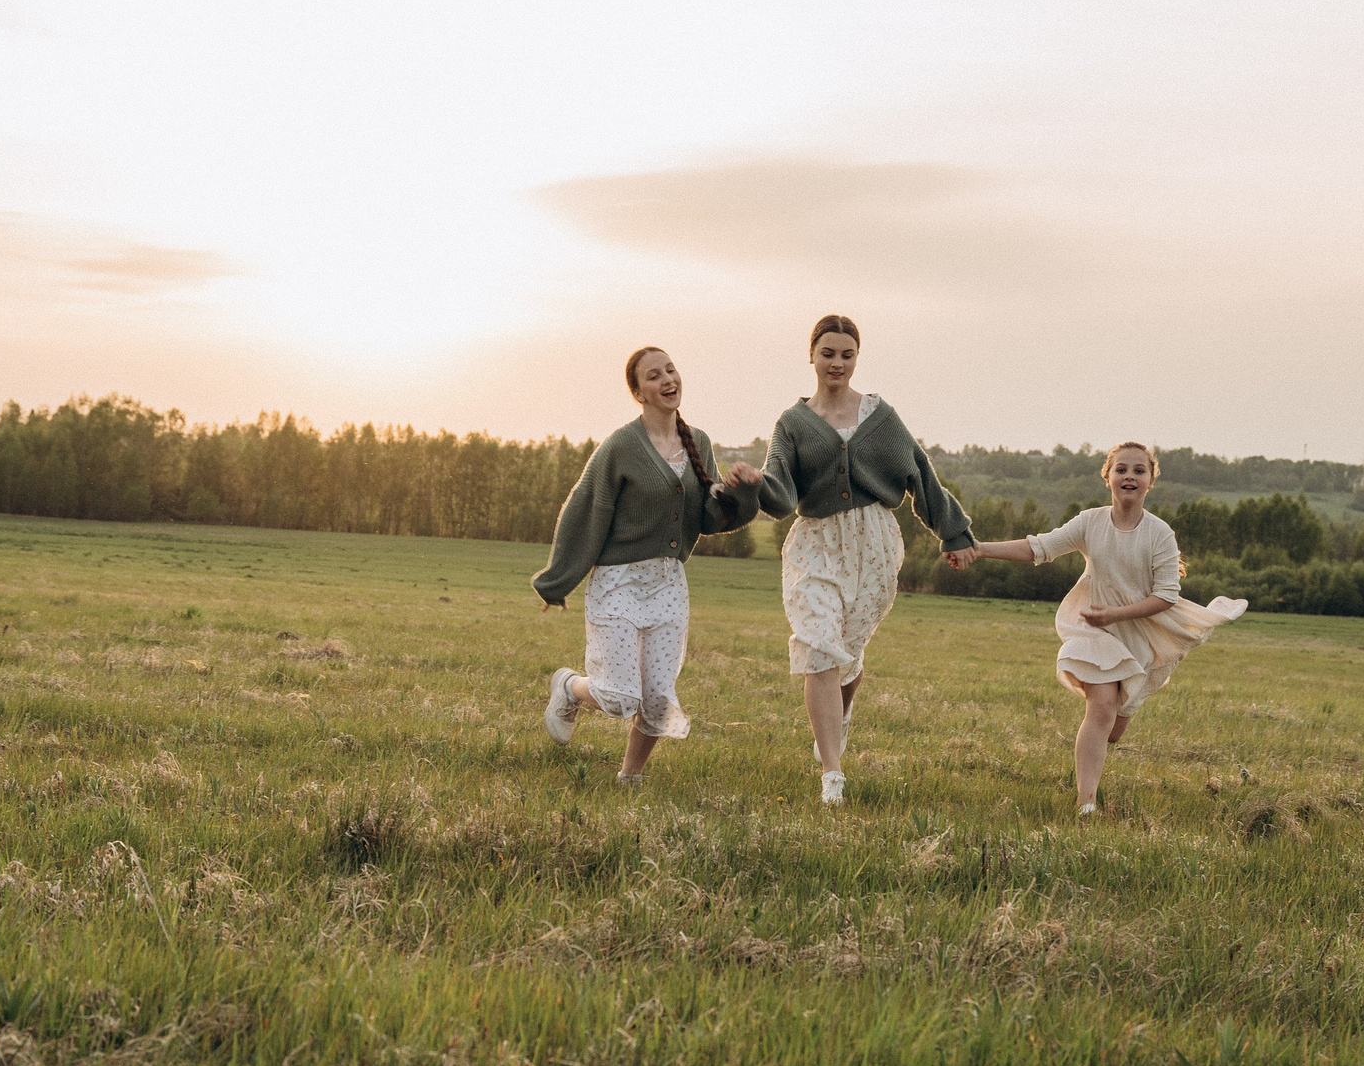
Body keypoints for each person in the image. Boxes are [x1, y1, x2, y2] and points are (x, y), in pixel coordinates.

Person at [757, 313, 977, 805]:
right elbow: (779, 488)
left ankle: (839, 714)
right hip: (816, 542)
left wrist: (954, 533)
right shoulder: (792, 424)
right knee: (817, 644)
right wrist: (756, 487)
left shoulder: (880, 417)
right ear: (811, 355)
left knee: (846, 654)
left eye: (847, 354)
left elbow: (921, 472)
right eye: (828, 353)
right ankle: (831, 775)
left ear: (857, 358)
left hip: (874, 544)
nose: (837, 362)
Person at [962, 443, 1247, 815]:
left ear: (1151, 481)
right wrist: (979, 548)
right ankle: (1087, 804)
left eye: (1139, 471)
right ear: (1108, 477)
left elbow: (1166, 596)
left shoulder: (1160, 534)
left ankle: (1110, 710)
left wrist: (1117, 613)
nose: (1130, 475)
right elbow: (1039, 548)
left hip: (1141, 634)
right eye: (1122, 469)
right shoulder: (1090, 522)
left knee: (1112, 727)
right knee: (1100, 708)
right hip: (1092, 627)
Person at [532, 347, 763, 781]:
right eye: (654, 376)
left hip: (668, 584)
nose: (667, 379)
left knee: (657, 700)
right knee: (619, 697)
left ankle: (629, 777)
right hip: (619, 582)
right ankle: (569, 687)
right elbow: (585, 510)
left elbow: (709, 518)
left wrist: (745, 493)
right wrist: (556, 581)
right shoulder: (621, 447)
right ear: (638, 392)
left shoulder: (700, 443)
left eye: (671, 370)